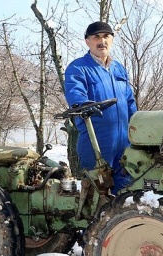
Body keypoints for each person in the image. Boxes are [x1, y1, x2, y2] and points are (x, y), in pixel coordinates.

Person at [64, 21, 138, 194]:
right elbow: (75, 93)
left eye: (106, 36)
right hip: (96, 143)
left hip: (124, 145)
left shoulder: (119, 68)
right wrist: (83, 104)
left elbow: (129, 102)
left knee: (126, 192)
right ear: (87, 41)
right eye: (96, 37)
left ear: (112, 39)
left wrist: (138, 127)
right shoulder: (78, 68)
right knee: (98, 196)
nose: (101, 41)